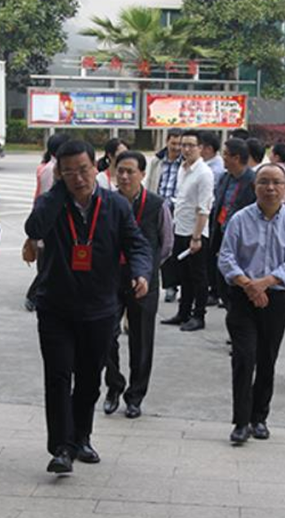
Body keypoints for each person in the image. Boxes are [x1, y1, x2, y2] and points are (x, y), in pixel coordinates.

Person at [25, 139, 152, 474]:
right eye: (68, 172)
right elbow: (33, 228)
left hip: (99, 308)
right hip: (56, 307)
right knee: (57, 377)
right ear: (59, 173)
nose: (78, 178)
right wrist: (55, 190)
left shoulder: (115, 206)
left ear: (97, 167)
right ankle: (61, 448)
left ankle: (82, 437)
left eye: (83, 170)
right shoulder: (54, 205)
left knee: (88, 380)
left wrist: (141, 272)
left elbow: (137, 244)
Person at [218, 163, 285, 444]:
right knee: (244, 358)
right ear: (254, 186)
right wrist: (248, 285)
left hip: (276, 299)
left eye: (277, 183)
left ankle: (260, 418)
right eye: (264, 182)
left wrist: (265, 283)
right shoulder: (240, 220)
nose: (270, 188)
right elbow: (226, 258)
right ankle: (241, 422)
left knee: (267, 360)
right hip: (242, 299)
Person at [103, 151, 173, 419]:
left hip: (144, 280)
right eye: (120, 170)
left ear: (142, 174)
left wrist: (148, 269)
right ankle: (113, 386)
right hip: (110, 280)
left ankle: (135, 396)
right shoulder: (106, 202)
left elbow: (165, 245)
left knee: (142, 340)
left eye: (130, 171)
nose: (124, 176)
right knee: (106, 336)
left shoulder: (157, 205)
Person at [161, 130, 215, 332]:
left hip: (196, 233)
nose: (186, 149)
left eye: (191, 145)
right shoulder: (183, 168)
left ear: (200, 148)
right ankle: (183, 313)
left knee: (198, 277)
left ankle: (198, 315)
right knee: (184, 275)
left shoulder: (204, 173)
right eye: (184, 145)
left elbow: (204, 208)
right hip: (180, 229)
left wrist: (196, 237)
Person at [23, 133, 71, 312]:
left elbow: (38, 197)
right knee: (48, 267)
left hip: (44, 221)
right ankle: (34, 296)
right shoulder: (54, 170)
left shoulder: (45, 167)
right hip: (50, 224)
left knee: (46, 266)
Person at [209, 138, 256, 314]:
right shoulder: (225, 178)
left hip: (242, 240)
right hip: (221, 233)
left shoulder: (253, 181)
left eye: (226, 155)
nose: (223, 158)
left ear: (236, 158)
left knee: (237, 285)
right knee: (221, 281)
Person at [145, 128, 184, 303]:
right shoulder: (157, 161)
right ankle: (169, 286)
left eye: (179, 144)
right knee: (162, 246)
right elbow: (151, 182)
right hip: (159, 209)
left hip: (178, 211)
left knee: (176, 248)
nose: (176, 147)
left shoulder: (185, 163)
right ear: (167, 141)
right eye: (173, 143)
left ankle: (176, 284)